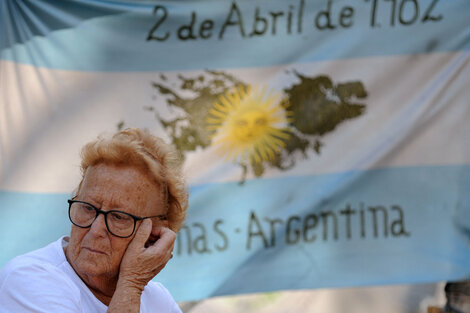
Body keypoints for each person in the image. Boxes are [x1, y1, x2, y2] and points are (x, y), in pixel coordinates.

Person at [0, 128, 188, 312]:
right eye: (88, 208)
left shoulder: (157, 300)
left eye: (118, 216)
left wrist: (133, 284)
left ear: (154, 235)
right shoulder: (29, 278)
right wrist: (131, 284)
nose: (95, 229)